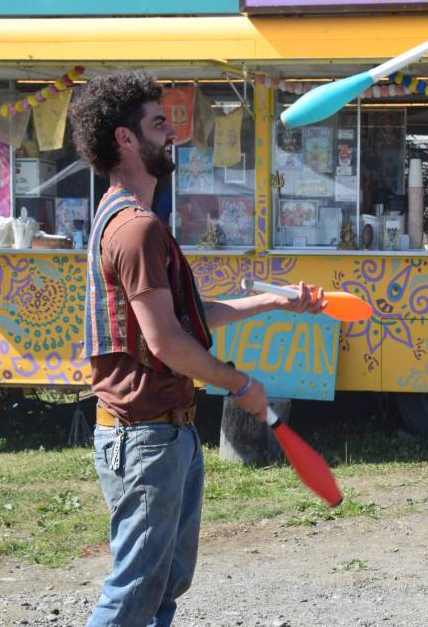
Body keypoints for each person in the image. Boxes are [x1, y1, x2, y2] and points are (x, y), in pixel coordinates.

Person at [70, 72, 324, 627]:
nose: (173, 135)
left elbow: (187, 319)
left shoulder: (132, 221)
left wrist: (275, 303)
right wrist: (241, 385)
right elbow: (167, 342)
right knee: (135, 590)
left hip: (165, 431)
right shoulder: (135, 230)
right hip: (144, 434)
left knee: (164, 585)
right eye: (159, 123)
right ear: (126, 139)